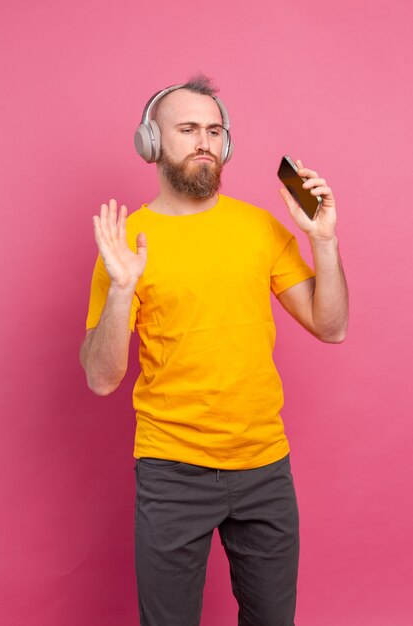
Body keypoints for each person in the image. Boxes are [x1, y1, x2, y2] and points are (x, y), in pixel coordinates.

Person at [80, 74, 348, 626]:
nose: (204, 141)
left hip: (265, 466)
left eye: (214, 130)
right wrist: (123, 289)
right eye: (187, 129)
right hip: (172, 470)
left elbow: (332, 326)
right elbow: (101, 377)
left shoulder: (260, 228)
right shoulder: (126, 243)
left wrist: (323, 240)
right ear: (150, 142)